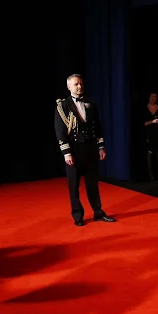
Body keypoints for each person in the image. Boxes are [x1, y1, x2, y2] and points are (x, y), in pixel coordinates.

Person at [54, 74, 116, 226]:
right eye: (76, 84)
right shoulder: (63, 106)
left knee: (92, 184)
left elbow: (97, 126)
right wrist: (66, 153)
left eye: (81, 83)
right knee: (73, 186)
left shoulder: (90, 103)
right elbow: (60, 130)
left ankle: (98, 212)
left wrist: (100, 146)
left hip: (90, 149)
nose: (79, 86)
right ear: (69, 87)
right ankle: (77, 215)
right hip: (74, 150)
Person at [143, 92, 158, 179]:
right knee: (149, 153)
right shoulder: (145, 109)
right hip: (148, 134)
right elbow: (142, 123)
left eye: (155, 97)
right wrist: (152, 122)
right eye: (151, 96)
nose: (153, 98)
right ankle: (150, 174)